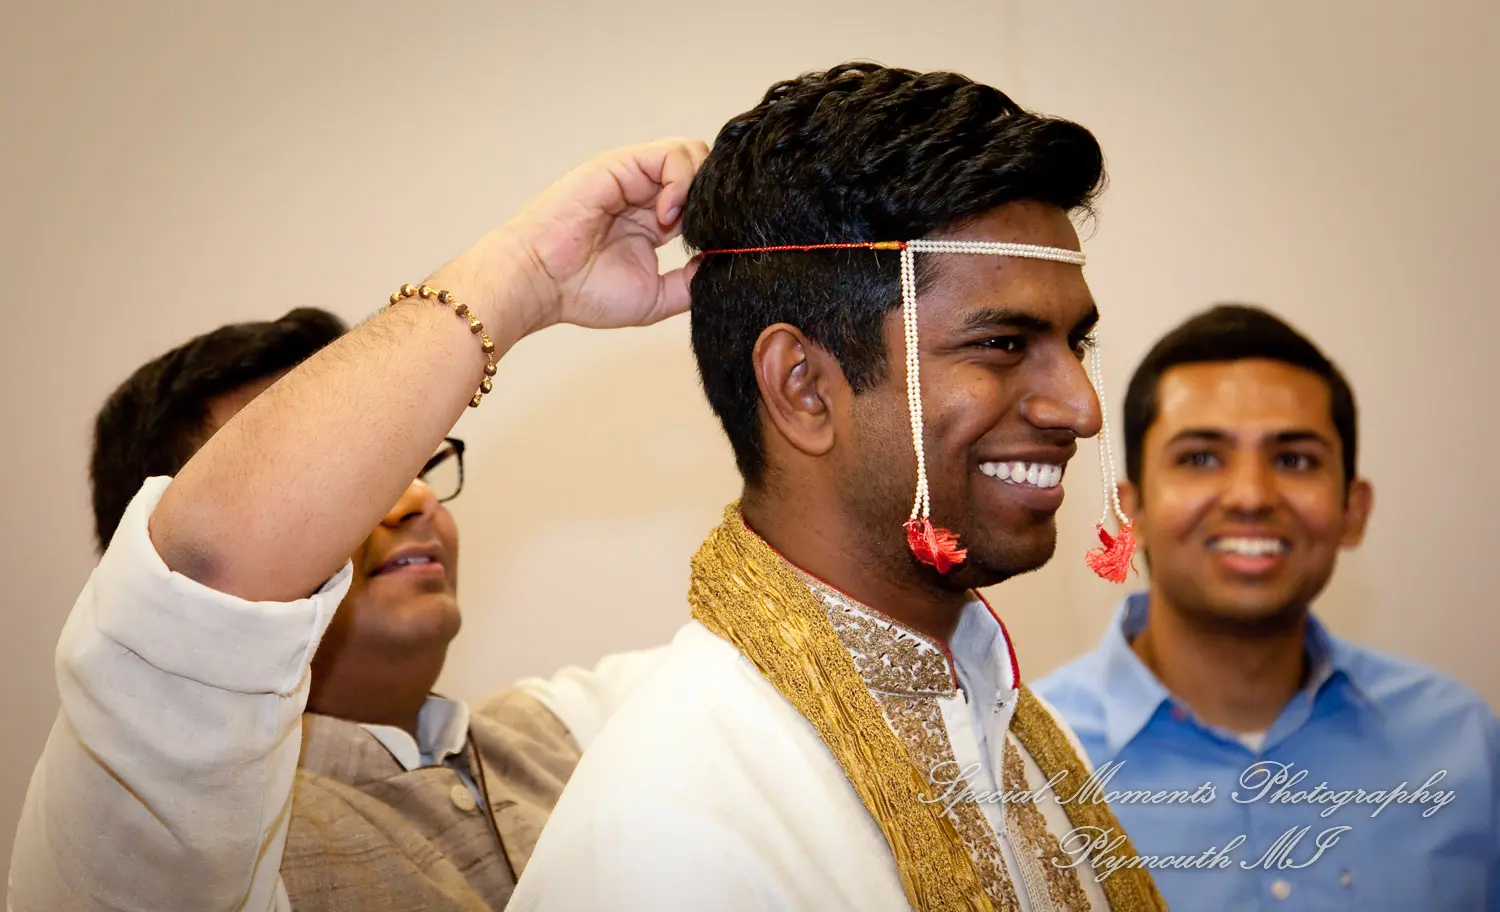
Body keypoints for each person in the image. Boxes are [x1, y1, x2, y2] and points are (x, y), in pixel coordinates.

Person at [508, 64, 1167, 911]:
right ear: (804, 389)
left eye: (1076, 345)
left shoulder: (1020, 729)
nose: (1080, 407)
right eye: (1004, 344)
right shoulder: (673, 824)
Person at [9, 305, 669, 910]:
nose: (411, 497)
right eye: (333, 486)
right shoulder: (166, 844)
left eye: (406, 460)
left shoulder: (573, 730)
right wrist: (528, 274)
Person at [1034, 304, 1500, 910]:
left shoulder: (1463, 748)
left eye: (1294, 460)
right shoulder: (1031, 765)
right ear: (1134, 511)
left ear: (1352, 511)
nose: (1251, 496)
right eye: (1201, 458)